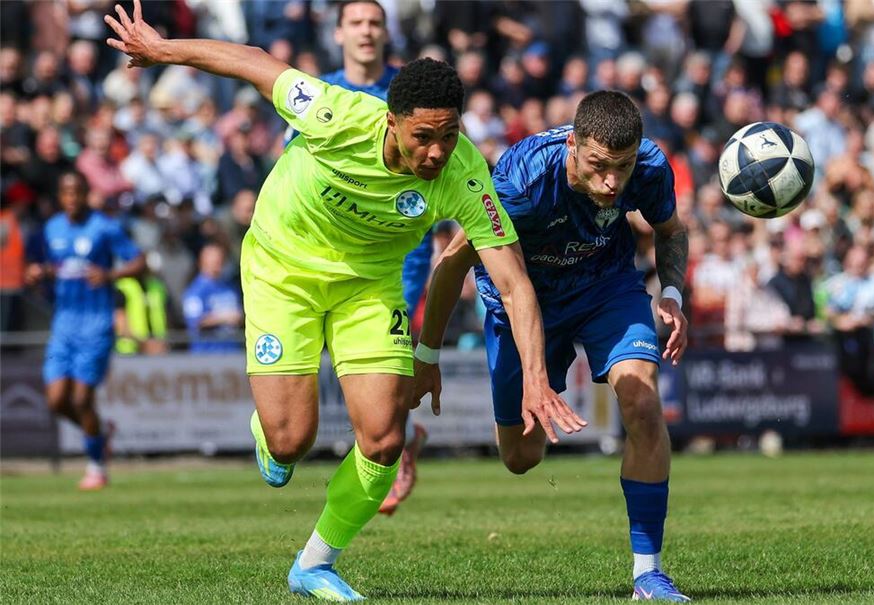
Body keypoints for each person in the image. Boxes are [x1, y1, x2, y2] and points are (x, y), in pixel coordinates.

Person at [106, 2, 584, 600]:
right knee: (290, 441)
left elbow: (513, 283)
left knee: (385, 438)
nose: (437, 152)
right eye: (424, 137)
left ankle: (314, 564)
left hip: (369, 284)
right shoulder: (337, 114)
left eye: (450, 135)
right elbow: (255, 61)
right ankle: (270, 431)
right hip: (284, 269)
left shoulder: (465, 174)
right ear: (391, 122)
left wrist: (536, 379)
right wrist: (163, 49)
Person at [414, 92, 691, 602]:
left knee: (643, 403)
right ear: (573, 145)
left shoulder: (648, 164)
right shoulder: (522, 181)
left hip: (605, 289)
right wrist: (428, 356)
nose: (612, 182)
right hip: (523, 302)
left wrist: (671, 294)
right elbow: (453, 262)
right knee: (521, 457)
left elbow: (671, 231)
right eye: (599, 167)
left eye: (622, 168)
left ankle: (649, 575)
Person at [283, 0, 428, 516]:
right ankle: (392, 442)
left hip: (396, 258)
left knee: (379, 374)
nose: (366, 31)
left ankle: (389, 448)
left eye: (375, 23)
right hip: (324, 255)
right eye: (357, 23)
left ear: (386, 33)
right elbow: (294, 166)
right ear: (338, 32)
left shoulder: (409, 91)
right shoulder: (321, 91)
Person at [24, 170, 145, 489]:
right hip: (63, 324)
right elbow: (54, 268)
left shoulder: (105, 227)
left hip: (96, 324)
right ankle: (100, 434)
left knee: (80, 399)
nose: (71, 199)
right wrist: (39, 273)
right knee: (55, 401)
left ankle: (96, 466)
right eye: (66, 193)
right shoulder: (52, 229)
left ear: (86, 193)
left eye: (77, 192)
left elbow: (139, 261)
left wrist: (109, 276)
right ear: (60, 196)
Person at [182, 242, 243, 353]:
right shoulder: (196, 291)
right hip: (207, 354)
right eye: (214, 261)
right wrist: (223, 318)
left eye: (220, 260)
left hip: (232, 351)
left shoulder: (230, 287)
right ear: (203, 262)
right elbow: (195, 323)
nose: (218, 264)